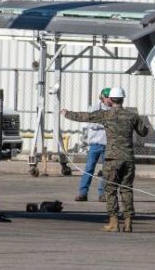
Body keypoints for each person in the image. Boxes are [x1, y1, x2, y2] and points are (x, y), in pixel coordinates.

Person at [61, 87, 148, 233]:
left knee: (111, 189)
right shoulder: (132, 116)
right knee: (127, 189)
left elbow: (86, 117)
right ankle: (128, 222)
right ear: (122, 99)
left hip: (112, 158)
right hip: (128, 158)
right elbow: (144, 132)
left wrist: (67, 113)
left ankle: (114, 222)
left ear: (111, 100)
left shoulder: (106, 115)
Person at [75, 87, 110, 202]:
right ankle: (83, 193)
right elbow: (91, 124)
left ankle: (103, 193)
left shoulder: (114, 109)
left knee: (107, 170)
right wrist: (104, 124)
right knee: (89, 168)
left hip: (109, 144)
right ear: (103, 98)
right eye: (107, 97)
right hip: (95, 143)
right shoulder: (95, 108)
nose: (110, 100)